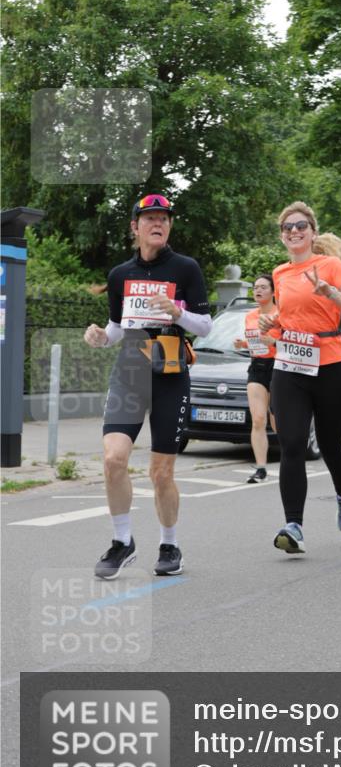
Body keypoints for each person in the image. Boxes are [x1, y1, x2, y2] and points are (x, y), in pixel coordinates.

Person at [84, 194, 212, 578]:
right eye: (150, 218)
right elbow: (117, 327)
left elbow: (205, 326)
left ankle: (170, 545)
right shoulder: (120, 275)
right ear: (135, 227)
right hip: (129, 374)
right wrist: (100, 338)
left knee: (161, 472)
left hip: (169, 375)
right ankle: (122, 542)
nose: (158, 224)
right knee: (113, 459)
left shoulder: (185, 268)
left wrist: (178, 313)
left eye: (164, 219)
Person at [258, 202, 341, 554]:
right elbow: (290, 315)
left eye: (301, 225)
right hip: (291, 364)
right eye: (287, 227)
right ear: (281, 235)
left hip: (332, 366)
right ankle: (294, 526)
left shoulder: (331, 266)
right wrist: (271, 321)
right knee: (291, 443)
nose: (294, 231)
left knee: (331, 444)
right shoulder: (279, 273)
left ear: (313, 231)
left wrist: (331, 292)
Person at [233, 275, 277, 483]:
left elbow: (291, 340)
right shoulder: (250, 315)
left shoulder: (280, 314)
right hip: (257, 367)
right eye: (255, 287)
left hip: (279, 366)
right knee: (258, 419)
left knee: (278, 421)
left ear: (273, 291)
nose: (258, 291)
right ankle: (260, 468)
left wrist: (274, 341)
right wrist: (242, 344)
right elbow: (254, 342)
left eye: (263, 287)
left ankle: (292, 459)